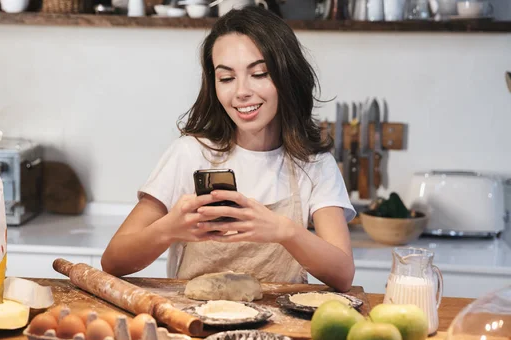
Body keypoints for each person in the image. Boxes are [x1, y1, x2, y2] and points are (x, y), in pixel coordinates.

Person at [101, 6, 356, 292]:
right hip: (194, 326)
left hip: (277, 329)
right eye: (226, 78)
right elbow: (113, 261)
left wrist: (284, 231)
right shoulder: (189, 154)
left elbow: (343, 274)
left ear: (287, 77)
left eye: (259, 73)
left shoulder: (314, 164)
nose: (241, 91)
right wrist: (168, 229)